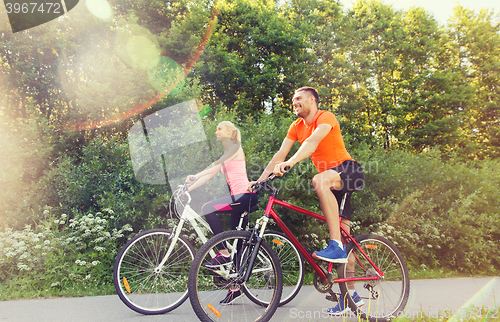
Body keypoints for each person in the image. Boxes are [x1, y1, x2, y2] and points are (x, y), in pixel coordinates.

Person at [250, 86, 364, 315]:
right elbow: (278, 155)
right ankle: (351, 297)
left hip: (347, 171)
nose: (294, 102)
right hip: (332, 183)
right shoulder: (296, 126)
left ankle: (335, 246)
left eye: (298, 98)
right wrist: (259, 180)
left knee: (319, 181)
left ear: (312, 100)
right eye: (293, 100)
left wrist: (290, 163)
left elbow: (311, 143)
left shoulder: (325, 117)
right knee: (345, 242)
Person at [186, 121, 257, 305]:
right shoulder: (226, 154)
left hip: (244, 197)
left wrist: (194, 175)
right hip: (238, 200)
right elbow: (209, 174)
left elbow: (214, 167)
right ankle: (235, 288)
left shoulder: (235, 148)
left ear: (229, 132)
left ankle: (223, 252)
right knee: (238, 242)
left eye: (219, 128)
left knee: (208, 208)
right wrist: (188, 188)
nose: (216, 131)